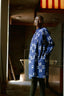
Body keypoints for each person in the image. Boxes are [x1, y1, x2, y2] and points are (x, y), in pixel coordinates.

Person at [29, 15, 54, 96]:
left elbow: (51, 43)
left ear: (42, 22)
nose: (38, 21)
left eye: (40, 20)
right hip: (33, 61)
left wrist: (45, 55)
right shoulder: (35, 34)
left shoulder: (44, 31)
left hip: (40, 61)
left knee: (41, 80)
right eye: (36, 19)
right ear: (34, 22)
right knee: (33, 80)